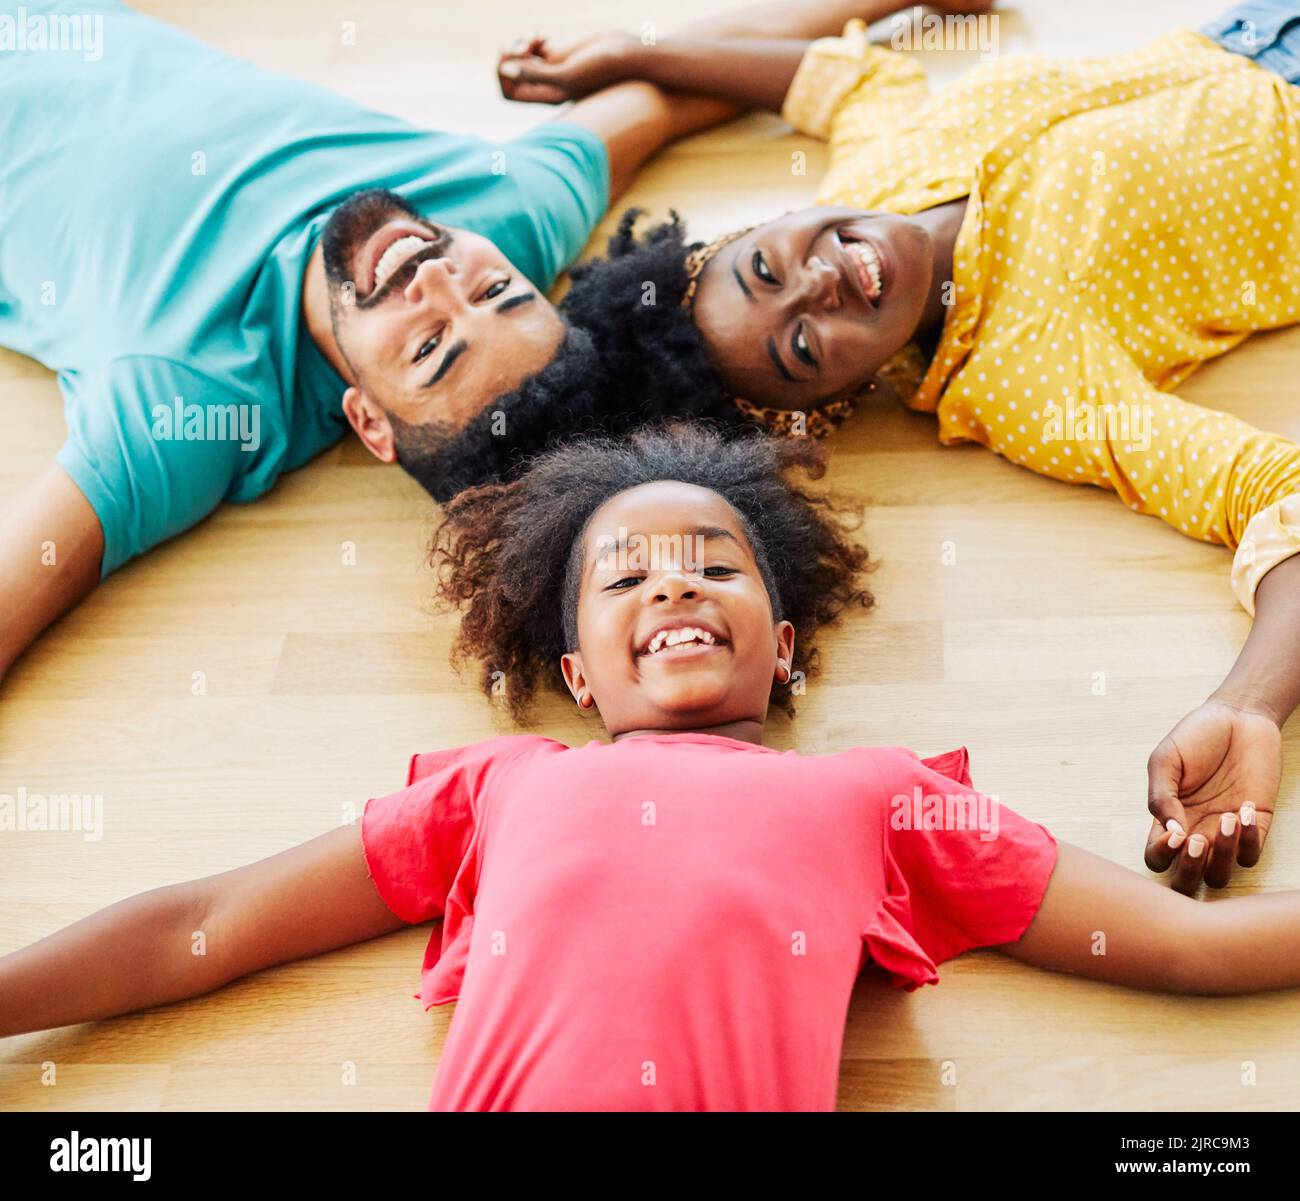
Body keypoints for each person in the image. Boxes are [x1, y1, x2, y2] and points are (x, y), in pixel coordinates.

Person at [4, 421, 1299, 1112]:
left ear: (781, 649)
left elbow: (1182, 945)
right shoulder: (496, 788)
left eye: (715, 561)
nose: (674, 576)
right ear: (579, 676)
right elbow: (209, 922)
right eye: (624, 575)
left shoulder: (874, 791)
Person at [494, 0, 1300, 891]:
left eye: (766, 264)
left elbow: (842, 75)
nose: (820, 278)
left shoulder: (879, 163)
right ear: (832, 404)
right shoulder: (1030, 379)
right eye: (802, 348)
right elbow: (1274, 492)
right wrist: (1251, 703)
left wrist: (632, 52)